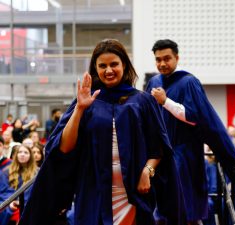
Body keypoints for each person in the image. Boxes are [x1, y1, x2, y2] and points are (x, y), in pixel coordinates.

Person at [19, 39, 185, 225]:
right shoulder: (87, 101)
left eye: (114, 64)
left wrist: (147, 171)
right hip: (94, 191)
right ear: (95, 68)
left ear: (124, 65)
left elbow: (159, 148)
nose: (108, 70)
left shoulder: (143, 101)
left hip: (132, 192)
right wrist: (80, 109)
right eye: (102, 65)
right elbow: (64, 147)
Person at [146, 39, 235, 224]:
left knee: (186, 209)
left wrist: (165, 101)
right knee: (161, 212)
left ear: (177, 57)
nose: (162, 64)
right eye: (158, 60)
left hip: (184, 154)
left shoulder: (188, 82)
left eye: (167, 58)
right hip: (160, 155)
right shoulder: (154, 82)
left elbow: (197, 117)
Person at [0, 144, 38, 225]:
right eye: (20, 152)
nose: (22, 154)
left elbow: (37, 191)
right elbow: (3, 190)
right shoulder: (6, 171)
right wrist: (12, 202)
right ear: (16, 155)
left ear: (30, 156)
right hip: (9, 202)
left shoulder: (37, 172)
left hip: (29, 203)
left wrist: (22, 202)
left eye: (26, 152)